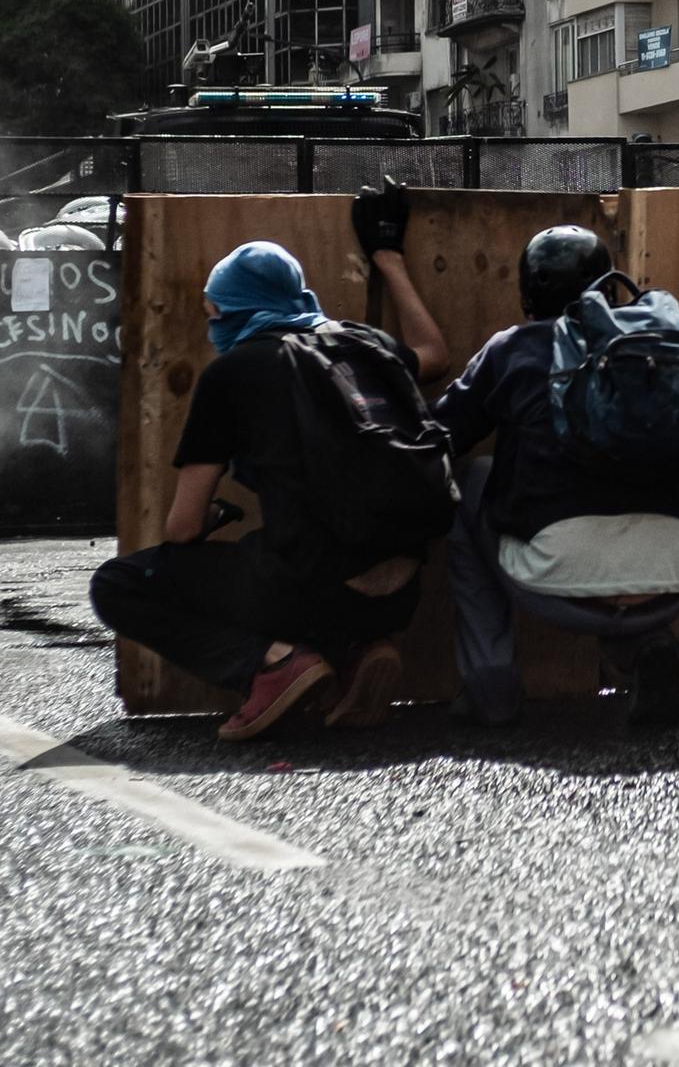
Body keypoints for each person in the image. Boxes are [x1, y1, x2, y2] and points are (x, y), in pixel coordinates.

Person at [358, 188, 679, 729]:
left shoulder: (515, 349)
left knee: (466, 483)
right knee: (639, 492)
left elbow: (440, 438)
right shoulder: (652, 347)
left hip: (559, 580)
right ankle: (645, 650)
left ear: (527, 293)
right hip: (672, 576)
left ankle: (491, 689)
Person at [89, 235, 448, 742]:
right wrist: (389, 260)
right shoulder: (372, 345)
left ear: (235, 307)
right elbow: (435, 353)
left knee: (118, 584)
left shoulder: (234, 372)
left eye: (215, 311)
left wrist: (216, 515)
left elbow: (183, 526)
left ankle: (270, 664)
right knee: (296, 550)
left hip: (307, 590)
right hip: (401, 594)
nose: (213, 323)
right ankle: (358, 651)